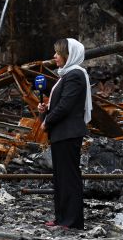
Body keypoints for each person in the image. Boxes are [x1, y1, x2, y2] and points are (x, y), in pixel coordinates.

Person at [38, 38, 90, 230]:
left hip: (68, 133)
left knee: (69, 177)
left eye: (58, 53)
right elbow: (58, 104)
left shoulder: (75, 75)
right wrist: (45, 108)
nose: (54, 56)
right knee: (60, 177)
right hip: (61, 134)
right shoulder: (66, 75)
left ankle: (72, 221)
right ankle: (62, 218)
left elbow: (66, 106)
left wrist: (47, 121)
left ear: (68, 56)